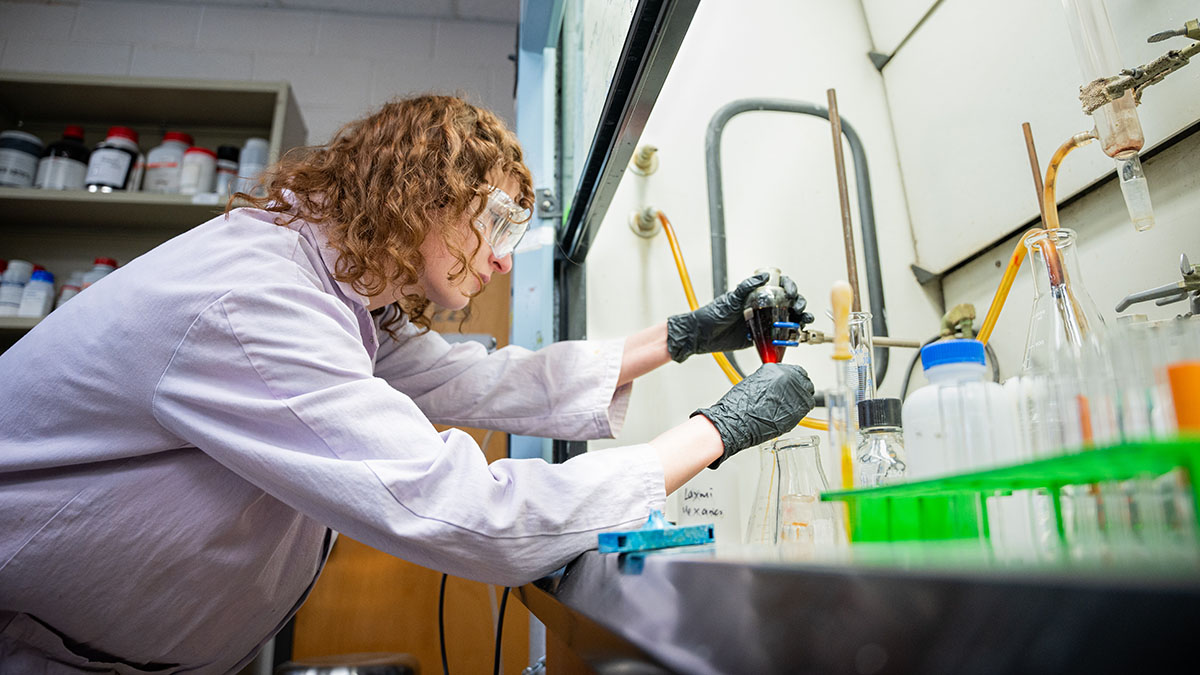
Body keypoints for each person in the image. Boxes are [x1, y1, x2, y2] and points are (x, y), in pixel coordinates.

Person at [0, 95, 815, 673]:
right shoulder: (257, 301)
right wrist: (717, 429)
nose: (500, 259)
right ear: (421, 190)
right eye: (495, 222)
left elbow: (482, 380)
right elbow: (470, 513)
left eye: (514, 237)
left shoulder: (338, 286)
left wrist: (675, 339)